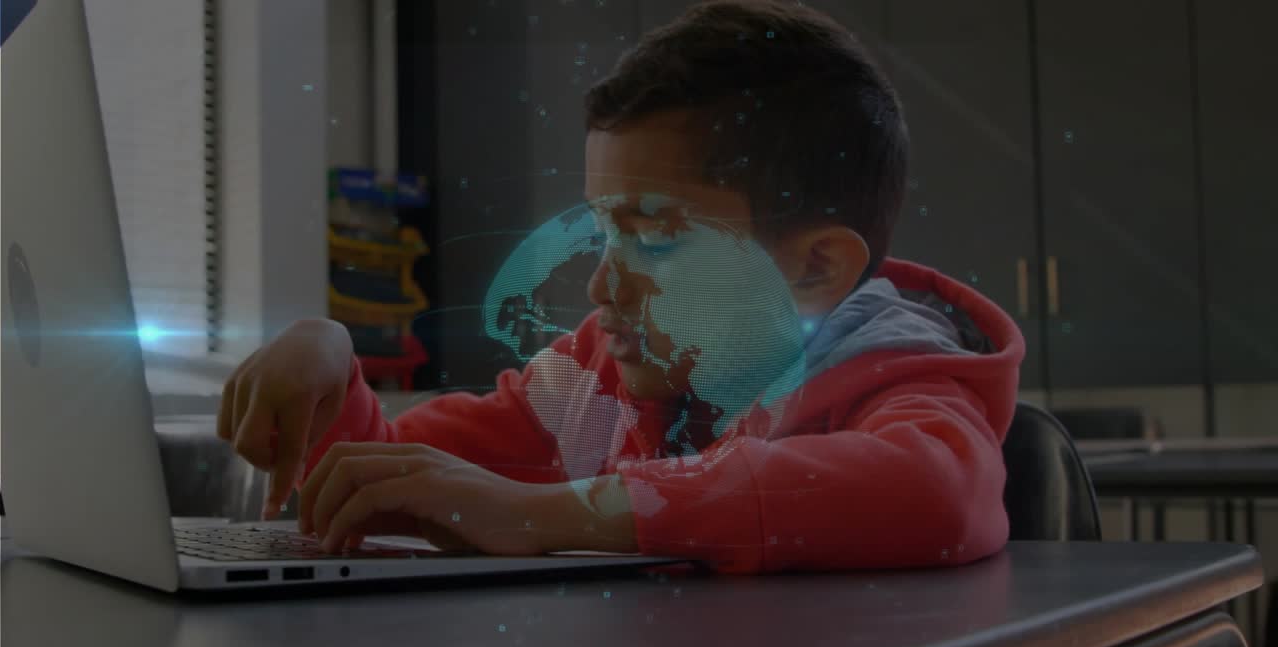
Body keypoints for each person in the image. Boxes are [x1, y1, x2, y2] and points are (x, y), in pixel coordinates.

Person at [217, 0, 1024, 573]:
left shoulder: (894, 374)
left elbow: (939, 492)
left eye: (656, 239)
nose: (603, 285)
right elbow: (405, 482)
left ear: (812, 268)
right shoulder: (592, 378)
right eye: (605, 234)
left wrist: (548, 514)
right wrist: (329, 377)